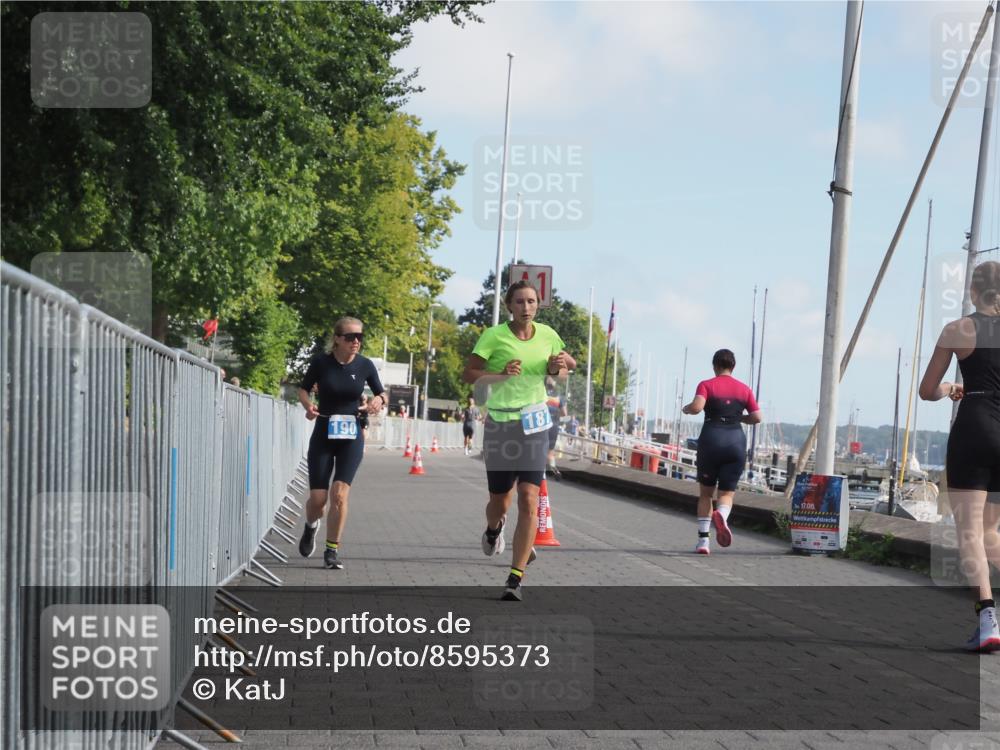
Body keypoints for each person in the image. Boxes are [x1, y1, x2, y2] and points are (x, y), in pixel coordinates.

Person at [463, 280, 571, 601]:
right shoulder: (493, 336)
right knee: (500, 500)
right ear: (509, 306)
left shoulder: (549, 335)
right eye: (520, 302)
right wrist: (500, 377)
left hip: (535, 423)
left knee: (529, 497)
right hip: (500, 422)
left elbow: (560, 374)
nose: (527, 307)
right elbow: (469, 374)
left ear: (538, 305)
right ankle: (494, 529)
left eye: (532, 301)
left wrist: (555, 369)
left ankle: (515, 577)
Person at [919, 260, 1000, 652]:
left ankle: (987, 619)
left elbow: (927, 389)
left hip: (974, 426)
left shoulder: (958, 330)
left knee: (970, 533)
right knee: (991, 533)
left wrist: (952, 387)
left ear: (972, 291)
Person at [297, 317, 387, 570]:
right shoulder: (321, 363)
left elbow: (381, 392)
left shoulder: (366, 365)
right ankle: (311, 525)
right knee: (318, 499)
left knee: (339, 494)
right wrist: (308, 405)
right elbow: (303, 390)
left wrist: (379, 401)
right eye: (350, 337)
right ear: (337, 338)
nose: (356, 342)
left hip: (351, 435)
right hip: (324, 432)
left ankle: (331, 550)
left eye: (360, 337)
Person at [681, 349, 762, 555]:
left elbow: (698, 407)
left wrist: (687, 408)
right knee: (726, 493)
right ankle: (723, 516)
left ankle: (703, 542)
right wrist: (739, 418)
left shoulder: (707, 384)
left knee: (706, 493)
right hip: (735, 441)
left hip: (711, 439)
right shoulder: (744, 389)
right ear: (733, 367)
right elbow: (757, 417)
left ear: (715, 366)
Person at [544, 377, 569, 478]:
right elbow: (564, 413)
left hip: (541, 424)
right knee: (550, 451)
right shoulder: (559, 397)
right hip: (554, 425)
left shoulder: (539, 393)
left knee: (536, 448)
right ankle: (554, 469)